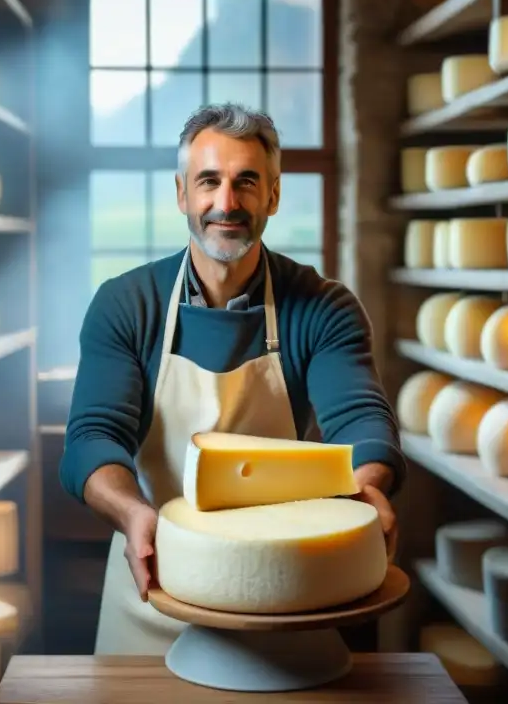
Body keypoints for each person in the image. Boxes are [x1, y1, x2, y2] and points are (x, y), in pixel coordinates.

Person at [60, 103, 406, 656]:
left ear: (272, 194)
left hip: (286, 599)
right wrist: (133, 514)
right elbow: (91, 438)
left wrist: (367, 487)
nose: (227, 203)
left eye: (246, 182)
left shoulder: (323, 308)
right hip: (154, 584)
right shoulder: (126, 304)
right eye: (209, 181)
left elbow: (362, 419)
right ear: (182, 194)